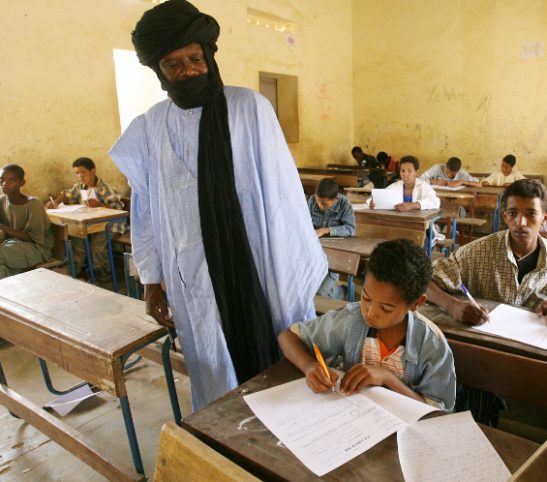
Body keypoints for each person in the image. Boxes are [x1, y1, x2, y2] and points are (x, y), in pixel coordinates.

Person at [109, 0, 327, 411]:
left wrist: (291, 278)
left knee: (282, 365)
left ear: (209, 55)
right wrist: (152, 280)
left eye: (194, 58)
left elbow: (284, 204)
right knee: (215, 372)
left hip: (260, 271)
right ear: (160, 73)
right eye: (173, 65)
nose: (187, 70)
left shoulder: (249, 108)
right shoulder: (150, 126)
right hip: (195, 280)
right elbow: (146, 210)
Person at [425, 179, 547, 427]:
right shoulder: (478, 251)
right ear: (504, 215)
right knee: (477, 400)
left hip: (534, 358)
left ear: (545, 217)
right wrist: (453, 305)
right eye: (513, 214)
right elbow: (423, 281)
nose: (521, 223)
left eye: (531, 214)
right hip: (486, 359)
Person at [278, 239, 457, 412]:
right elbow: (287, 337)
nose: (370, 313)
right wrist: (309, 366)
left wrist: (388, 379)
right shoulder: (352, 319)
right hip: (354, 419)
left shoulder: (432, 345)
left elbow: (437, 413)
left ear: (416, 303)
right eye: (366, 298)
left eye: (386, 308)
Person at [47, 157, 128, 280]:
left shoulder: (103, 187)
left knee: (97, 244)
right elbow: (67, 195)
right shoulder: (80, 187)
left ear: (93, 171)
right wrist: (56, 202)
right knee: (77, 239)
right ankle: (74, 270)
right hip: (90, 225)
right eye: (77, 173)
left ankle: (103, 275)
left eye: (83, 172)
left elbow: (119, 209)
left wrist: (99, 205)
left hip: (111, 224)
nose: (80, 176)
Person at [0, 164, 54, 279]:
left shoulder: (33, 204)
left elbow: (32, 238)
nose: (4, 183)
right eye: (2, 179)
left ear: (21, 183)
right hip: (13, 245)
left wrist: (3, 228)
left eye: (11, 180)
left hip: (37, 249)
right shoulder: (2, 200)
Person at [308, 177, 356, 299]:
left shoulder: (345, 204)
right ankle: (338, 292)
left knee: (320, 294)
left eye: (324, 203)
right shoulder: (312, 201)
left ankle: (341, 293)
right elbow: (304, 223)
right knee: (307, 291)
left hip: (334, 258)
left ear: (335, 199)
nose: (319, 205)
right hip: (314, 256)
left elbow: (350, 229)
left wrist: (326, 230)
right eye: (318, 201)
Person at [367, 155, 440, 212]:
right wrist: (372, 203)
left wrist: (413, 205)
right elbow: (376, 197)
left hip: (419, 225)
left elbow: (436, 201)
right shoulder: (396, 185)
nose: (405, 174)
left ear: (417, 173)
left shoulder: (423, 186)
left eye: (409, 171)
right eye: (403, 170)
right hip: (399, 223)